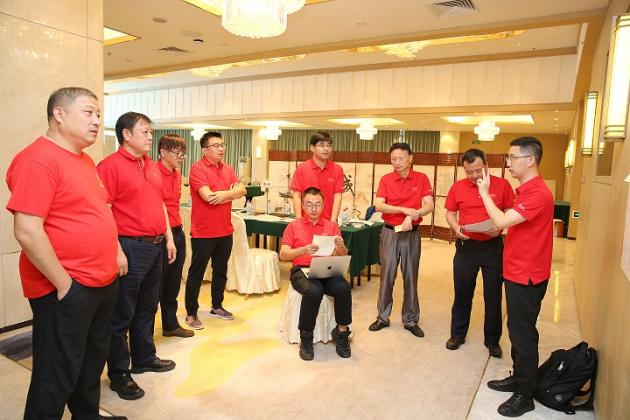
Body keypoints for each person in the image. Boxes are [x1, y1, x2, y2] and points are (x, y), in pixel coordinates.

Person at [6, 87, 125, 419]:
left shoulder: (85, 161)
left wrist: (115, 252)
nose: (97, 121)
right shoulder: (37, 159)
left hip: (101, 281)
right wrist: (64, 285)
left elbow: (97, 212)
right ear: (59, 114)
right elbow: (27, 230)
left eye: (98, 114)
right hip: (67, 287)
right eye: (88, 112)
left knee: (90, 365)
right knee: (55, 375)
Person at [97, 112, 177, 401]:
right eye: (144, 132)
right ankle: (119, 373)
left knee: (147, 307)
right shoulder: (109, 166)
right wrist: (115, 250)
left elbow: (160, 204)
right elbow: (103, 211)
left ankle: (144, 357)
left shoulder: (151, 165)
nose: (150, 137)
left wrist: (169, 237)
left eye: (150, 132)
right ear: (126, 134)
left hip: (156, 246)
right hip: (129, 246)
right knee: (122, 314)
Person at [477, 137, 553, 417]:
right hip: (517, 270)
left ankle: (525, 395)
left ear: (530, 160)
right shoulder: (526, 191)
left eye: (512, 158)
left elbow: (501, 221)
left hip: (528, 274)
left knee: (524, 336)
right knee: (516, 331)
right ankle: (520, 378)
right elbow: (512, 224)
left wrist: (484, 193)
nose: (508, 163)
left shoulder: (538, 193)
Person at [444, 149, 514, 358]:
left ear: (487, 165)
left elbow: (510, 212)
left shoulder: (502, 185)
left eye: (478, 170)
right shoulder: (458, 187)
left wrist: (500, 228)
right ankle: (457, 335)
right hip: (466, 247)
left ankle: (492, 340)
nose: (474, 176)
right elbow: (450, 213)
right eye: (469, 172)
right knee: (462, 293)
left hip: (493, 247)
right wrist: (455, 227)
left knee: (493, 295)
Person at [368, 142, 434, 338]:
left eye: (401, 158)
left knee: (410, 276)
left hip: (411, 233)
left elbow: (429, 205)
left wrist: (414, 215)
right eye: (393, 159)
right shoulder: (386, 179)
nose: (397, 162)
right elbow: (379, 206)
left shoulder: (421, 178)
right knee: (387, 276)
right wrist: (403, 210)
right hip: (390, 233)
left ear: (410, 158)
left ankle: (411, 319)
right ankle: (382, 317)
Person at [279, 187, 352, 360]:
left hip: (326, 267)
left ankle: (341, 333)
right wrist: (303, 250)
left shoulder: (331, 226)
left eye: (317, 204)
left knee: (343, 288)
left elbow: (343, 255)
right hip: (301, 269)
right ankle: (306, 337)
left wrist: (340, 246)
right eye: (309, 204)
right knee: (314, 290)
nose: (314, 209)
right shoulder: (293, 226)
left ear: (323, 205)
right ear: (302, 205)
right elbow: (283, 255)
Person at [184, 131, 246, 329]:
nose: (221, 149)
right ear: (204, 150)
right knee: (197, 273)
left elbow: (242, 190)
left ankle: (217, 306)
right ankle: (191, 313)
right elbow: (208, 197)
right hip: (203, 232)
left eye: (222, 145)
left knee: (221, 271)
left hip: (225, 230)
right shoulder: (197, 169)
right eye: (216, 146)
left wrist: (223, 194)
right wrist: (231, 194)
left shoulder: (227, 168)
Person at [157, 134, 194, 338]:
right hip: (161, 236)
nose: (181, 157)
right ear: (163, 152)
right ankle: (144, 335)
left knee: (173, 283)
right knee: (156, 286)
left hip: (177, 233)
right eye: (177, 153)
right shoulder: (153, 173)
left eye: (183, 153)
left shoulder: (177, 175)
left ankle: (170, 325)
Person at [290, 131, 345, 222]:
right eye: (321, 145)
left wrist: (333, 221)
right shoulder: (302, 168)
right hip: (305, 222)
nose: (326, 149)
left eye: (329, 146)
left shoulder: (337, 169)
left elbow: (337, 197)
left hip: (327, 222)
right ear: (312, 148)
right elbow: (297, 196)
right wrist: (299, 220)